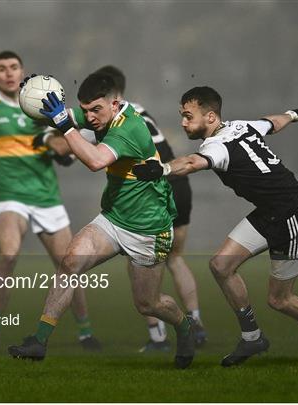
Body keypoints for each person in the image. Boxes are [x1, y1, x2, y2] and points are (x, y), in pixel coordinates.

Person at [132, 86, 298, 367]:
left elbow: (192, 162)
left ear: (211, 117)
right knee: (220, 266)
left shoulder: (216, 146)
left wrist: (162, 169)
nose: (183, 122)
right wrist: (293, 114)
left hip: (293, 217)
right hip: (270, 213)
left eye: (188, 116)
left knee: (279, 300)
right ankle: (252, 337)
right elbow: (272, 123)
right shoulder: (241, 125)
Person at [8, 73, 196, 369]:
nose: (90, 117)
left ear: (115, 103)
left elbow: (95, 161)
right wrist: (33, 97)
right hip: (113, 220)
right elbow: (58, 118)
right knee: (71, 262)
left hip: (149, 230)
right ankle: (39, 341)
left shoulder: (130, 127)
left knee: (148, 304)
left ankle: (185, 327)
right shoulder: (99, 116)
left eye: (96, 110)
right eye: (86, 110)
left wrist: (65, 125)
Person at [0, 50, 100, 353]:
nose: (8, 73)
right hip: (10, 199)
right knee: (8, 256)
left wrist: (65, 150)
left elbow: (74, 129)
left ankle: (85, 332)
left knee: (69, 265)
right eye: (2, 68)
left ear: (22, 72)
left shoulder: (42, 104)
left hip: (47, 198)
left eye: (14, 67)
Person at [92, 66, 207, 352]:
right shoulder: (138, 110)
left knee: (136, 259)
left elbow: (83, 149)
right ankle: (196, 323)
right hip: (177, 181)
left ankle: (158, 337)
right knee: (176, 259)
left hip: (151, 189)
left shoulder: (109, 119)